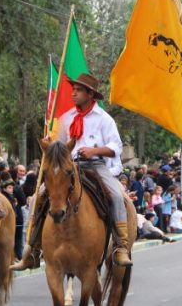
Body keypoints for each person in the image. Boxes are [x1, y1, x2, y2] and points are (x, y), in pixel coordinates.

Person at [13, 73, 132, 269]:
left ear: (90, 94)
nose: (74, 93)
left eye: (78, 90)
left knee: (118, 196)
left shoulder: (104, 119)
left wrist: (94, 151)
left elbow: (116, 147)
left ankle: (121, 247)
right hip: (68, 166)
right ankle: (32, 249)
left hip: (95, 166)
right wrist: (48, 144)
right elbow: (57, 145)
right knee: (37, 198)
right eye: (73, 90)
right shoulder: (66, 118)